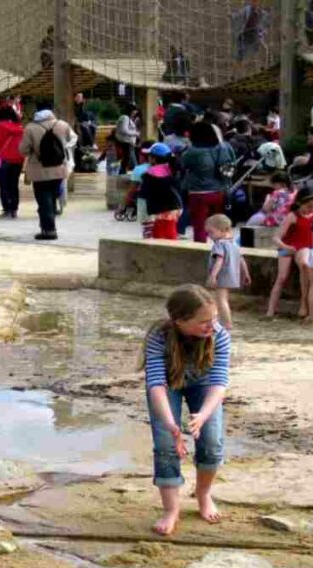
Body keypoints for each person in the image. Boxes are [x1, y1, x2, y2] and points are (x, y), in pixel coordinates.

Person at [143, 284, 231, 536]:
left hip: (205, 385)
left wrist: (202, 416)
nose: (211, 325)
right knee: (165, 444)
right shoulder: (158, 337)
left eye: (213, 319)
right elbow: (156, 385)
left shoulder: (219, 335)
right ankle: (171, 510)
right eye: (204, 321)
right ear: (180, 321)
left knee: (212, 441)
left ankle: (203, 495)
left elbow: (219, 383)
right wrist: (172, 426)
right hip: (167, 386)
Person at [18, 106, 74, 240]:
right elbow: (72, 139)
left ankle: (48, 230)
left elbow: (23, 150)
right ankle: (48, 225)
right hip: (59, 168)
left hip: (39, 170)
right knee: (52, 198)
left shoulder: (30, 128)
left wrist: (35, 150)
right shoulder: (62, 125)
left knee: (44, 200)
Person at [268, 188, 313, 317]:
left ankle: (303, 304)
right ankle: (270, 310)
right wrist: (285, 246)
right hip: (288, 246)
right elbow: (276, 237)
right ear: (301, 203)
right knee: (282, 277)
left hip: (304, 247)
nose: (311, 210)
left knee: (304, 264)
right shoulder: (292, 216)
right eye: (309, 206)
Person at [180, 122, 236, 243]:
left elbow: (182, 165)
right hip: (218, 192)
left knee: (200, 227)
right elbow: (228, 169)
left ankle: (202, 251)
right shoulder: (222, 148)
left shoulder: (192, 151)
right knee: (219, 224)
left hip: (198, 193)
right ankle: (223, 248)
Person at [206, 214, 251, 330]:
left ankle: (227, 323)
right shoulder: (234, 243)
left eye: (211, 232)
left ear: (223, 230)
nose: (209, 236)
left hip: (223, 275)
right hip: (233, 275)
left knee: (221, 299)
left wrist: (213, 275)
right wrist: (246, 274)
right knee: (223, 299)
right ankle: (223, 320)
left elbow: (219, 261)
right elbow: (241, 259)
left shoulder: (219, 244)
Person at [137, 143, 183, 240]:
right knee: (170, 228)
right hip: (176, 206)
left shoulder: (150, 172)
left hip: (161, 208)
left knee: (159, 232)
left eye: (149, 156)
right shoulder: (172, 169)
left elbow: (145, 192)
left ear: (153, 158)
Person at [0, 106, 24, 219]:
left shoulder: (1, 126)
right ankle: (14, 209)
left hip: (4, 159)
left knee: (4, 185)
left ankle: (7, 209)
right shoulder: (20, 127)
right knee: (14, 184)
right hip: (18, 159)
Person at [114, 105, 140, 174]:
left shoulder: (128, 118)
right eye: (135, 110)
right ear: (131, 110)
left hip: (129, 143)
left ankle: (122, 174)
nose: (136, 112)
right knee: (132, 162)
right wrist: (135, 133)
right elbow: (124, 130)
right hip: (126, 143)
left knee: (126, 161)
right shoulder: (125, 118)